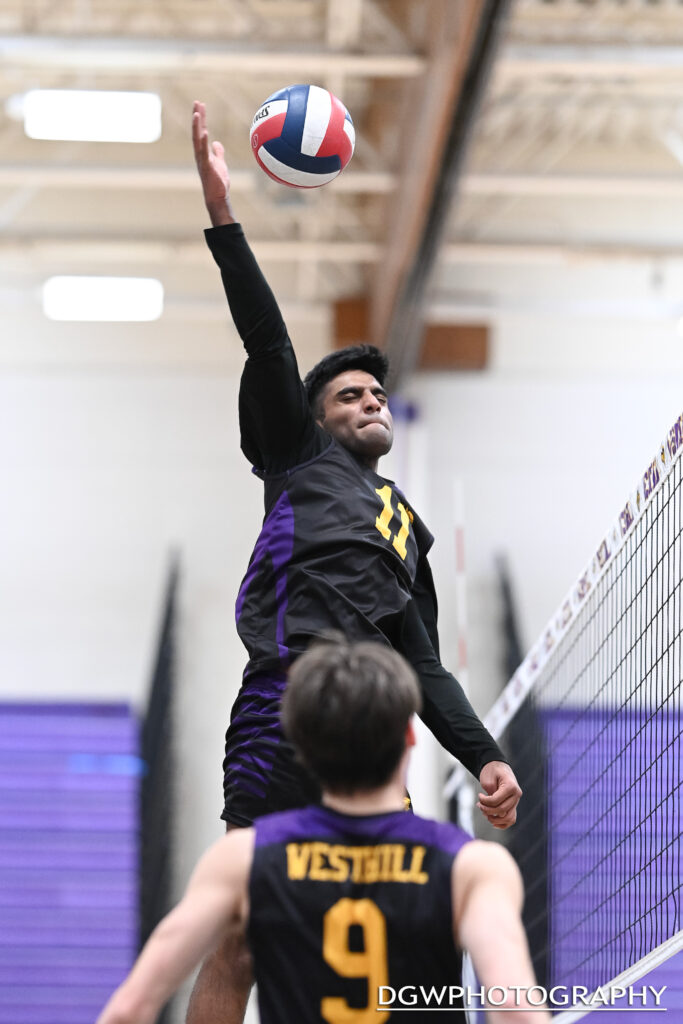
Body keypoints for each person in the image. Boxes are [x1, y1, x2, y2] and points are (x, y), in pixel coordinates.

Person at [187, 100, 522, 1023]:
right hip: (281, 707)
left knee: (395, 933)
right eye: (349, 392)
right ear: (316, 415)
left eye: (377, 391)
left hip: (374, 725)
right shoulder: (294, 457)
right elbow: (267, 338)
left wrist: (484, 756)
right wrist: (223, 213)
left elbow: (421, 662)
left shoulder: (403, 523)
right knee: (239, 935)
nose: (371, 398)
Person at [96, 639, 547, 1024]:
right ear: (410, 736)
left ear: (301, 741)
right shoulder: (473, 866)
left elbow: (129, 1009)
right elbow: (514, 1008)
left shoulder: (243, 861)